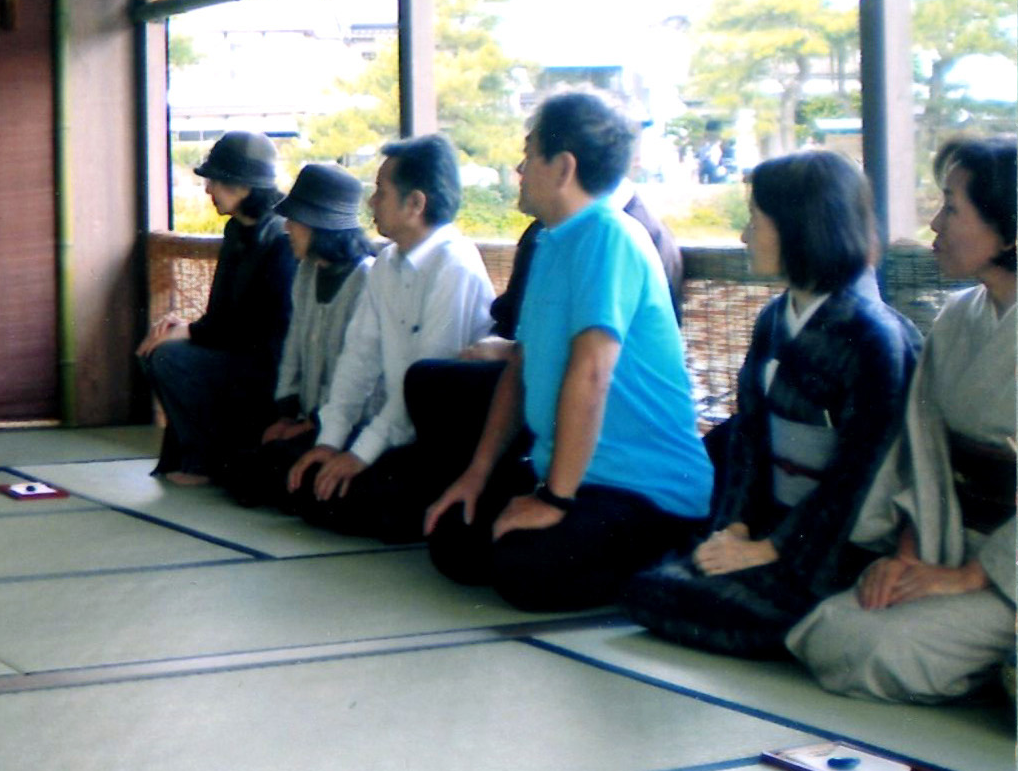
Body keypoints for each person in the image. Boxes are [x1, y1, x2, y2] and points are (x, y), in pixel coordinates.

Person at [622, 151, 920, 656]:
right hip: (768, 526)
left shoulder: (876, 337)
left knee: (681, 597)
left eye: (756, 219)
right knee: (651, 586)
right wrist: (735, 527)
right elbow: (749, 438)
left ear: (802, 226)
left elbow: (858, 476)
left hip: (832, 548)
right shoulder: (774, 319)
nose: (744, 235)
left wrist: (771, 548)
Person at [425, 91, 713, 611]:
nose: (518, 167)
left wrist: (554, 500)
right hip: (577, 476)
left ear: (563, 167)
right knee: (454, 538)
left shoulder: (609, 236)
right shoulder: (552, 240)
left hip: (647, 490)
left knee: (521, 570)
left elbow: (591, 375)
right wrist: (478, 472)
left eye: (528, 152)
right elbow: (520, 365)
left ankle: (673, 556)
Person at [787, 136, 1017, 702]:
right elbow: (924, 459)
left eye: (952, 207)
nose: (934, 222)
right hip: (951, 544)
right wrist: (909, 556)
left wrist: (969, 578)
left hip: (1004, 570)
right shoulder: (960, 317)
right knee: (838, 627)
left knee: (875, 647)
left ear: (1011, 229)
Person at [281, 136, 496, 539]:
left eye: (380, 192)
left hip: (439, 441)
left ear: (415, 204)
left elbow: (426, 386)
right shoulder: (386, 263)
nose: (370, 203)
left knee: (339, 498)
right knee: (300, 480)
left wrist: (360, 453)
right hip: (392, 429)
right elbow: (358, 358)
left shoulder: (455, 265)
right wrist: (330, 442)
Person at [138, 131, 296, 487]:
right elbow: (221, 314)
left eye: (215, 181)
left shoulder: (282, 240)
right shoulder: (236, 230)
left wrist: (192, 332)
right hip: (236, 350)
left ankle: (203, 461)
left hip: (268, 366)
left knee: (169, 358)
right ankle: (197, 456)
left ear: (242, 187)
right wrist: (184, 326)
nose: (208, 190)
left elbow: (264, 330)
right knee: (157, 349)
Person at [217, 163, 374, 506]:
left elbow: (361, 371)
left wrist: (310, 425)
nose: (287, 228)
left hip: (348, 423)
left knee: (267, 478)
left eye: (295, 221)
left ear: (322, 226)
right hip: (307, 417)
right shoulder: (305, 271)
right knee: (238, 466)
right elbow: (294, 344)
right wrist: (287, 412)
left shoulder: (367, 278)